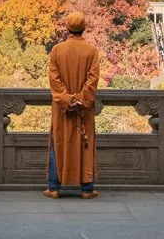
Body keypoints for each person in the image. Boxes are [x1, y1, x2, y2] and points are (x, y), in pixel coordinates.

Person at [44, 11, 100, 199]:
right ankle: (86, 189)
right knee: (85, 143)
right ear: (84, 28)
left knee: (58, 144)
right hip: (83, 109)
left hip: (62, 108)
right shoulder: (92, 51)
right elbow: (92, 81)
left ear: (67, 28)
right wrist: (80, 100)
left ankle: (54, 187)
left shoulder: (57, 50)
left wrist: (68, 99)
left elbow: (54, 80)